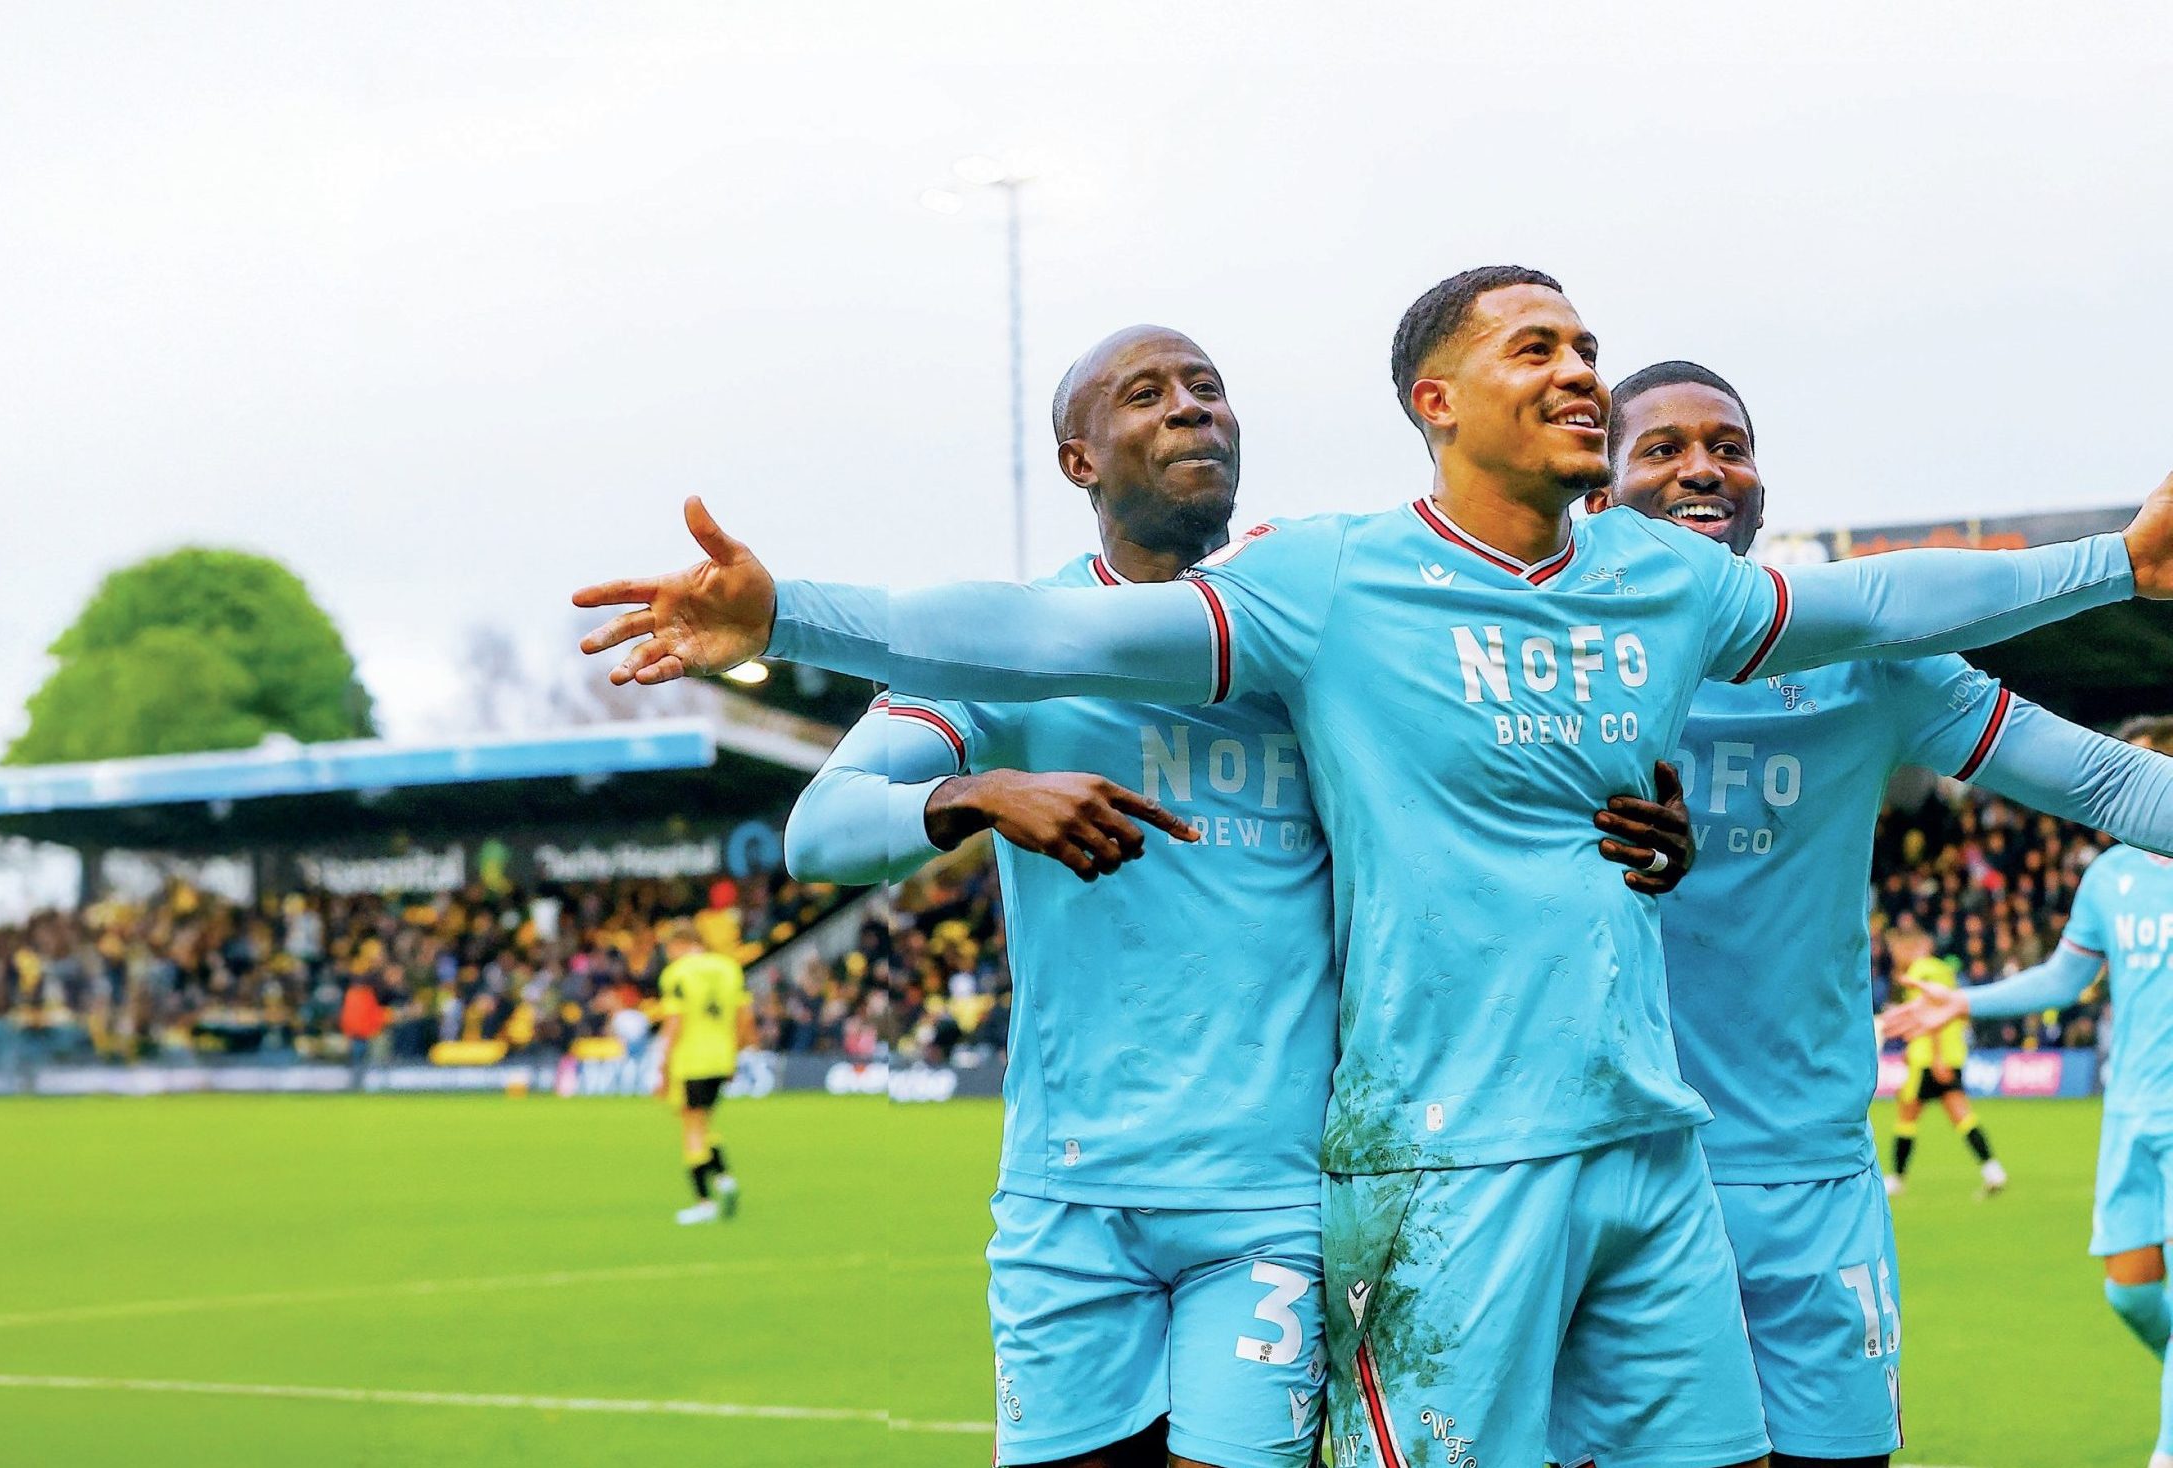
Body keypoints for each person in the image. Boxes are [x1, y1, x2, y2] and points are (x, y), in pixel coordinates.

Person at [576, 265, 2173, 1467]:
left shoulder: (1654, 591)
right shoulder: (1323, 592)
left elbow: (1879, 610)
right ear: (1435, 401)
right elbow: (1039, 629)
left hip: (1648, 1144)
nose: (1580, 377)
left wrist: (2117, 560)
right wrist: (795, 623)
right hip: (1432, 1162)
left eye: (1586, 351)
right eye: (1537, 351)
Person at [784, 324, 1700, 1468]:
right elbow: (817, 831)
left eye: (1208, 390)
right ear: (1078, 458)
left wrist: (1645, 821)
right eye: (1146, 394)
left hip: (1273, 1194)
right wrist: (976, 792)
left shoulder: (1313, 639)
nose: (1189, 409)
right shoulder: (1012, 650)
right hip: (1067, 1197)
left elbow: (1499, 783)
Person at [1582, 360, 2173, 1466]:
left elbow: (2107, 785)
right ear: (1596, 494)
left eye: (1728, 445)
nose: (1703, 466)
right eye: (1660, 448)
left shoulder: (1872, 665)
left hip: (1809, 1174)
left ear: (1760, 491)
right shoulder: (1547, 660)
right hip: (1612, 1167)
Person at [1885, 716, 2173, 1468]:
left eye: (2140, 773)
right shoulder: (2110, 878)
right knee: (2132, 1294)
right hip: (2130, 1113)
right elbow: (2066, 979)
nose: (2125, 795)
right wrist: (1963, 1001)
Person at [1882, 927, 2005, 1200]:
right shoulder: (1943, 970)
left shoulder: (1919, 972)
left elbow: (1931, 1016)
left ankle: (1897, 1178)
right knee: (1961, 1114)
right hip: (1951, 1053)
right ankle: (1992, 1170)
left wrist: (1934, 1056)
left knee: (1906, 1114)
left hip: (1929, 1058)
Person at [654, 924, 752, 1226]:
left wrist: (662, 1066)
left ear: (681, 943)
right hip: (720, 1059)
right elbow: (744, 1019)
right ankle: (724, 1179)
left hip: (689, 1060)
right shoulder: (729, 969)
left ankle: (705, 1202)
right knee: (704, 1123)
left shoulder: (677, 974)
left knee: (692, 1129)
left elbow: (674, 1024)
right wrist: (733, 1056)